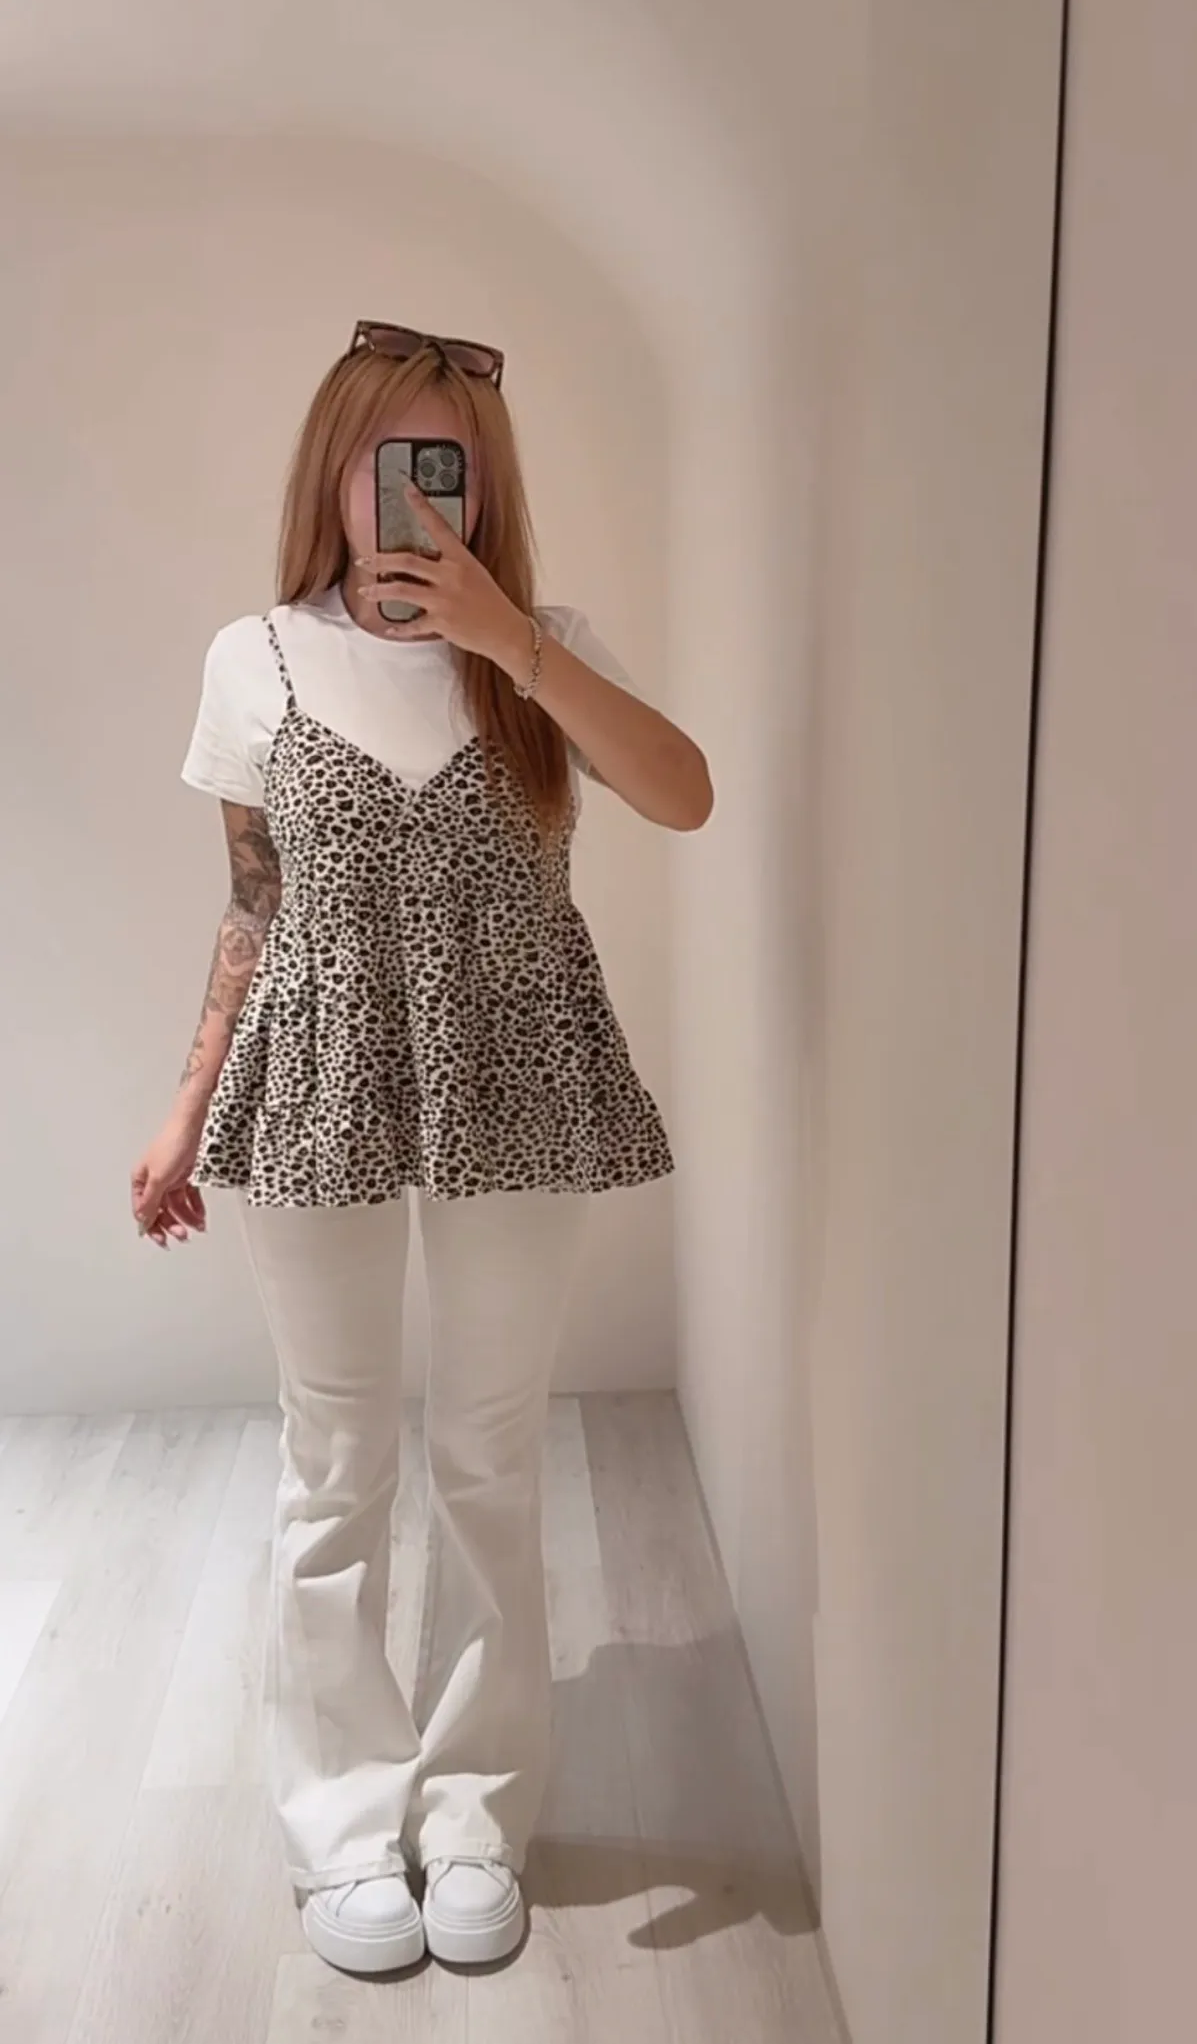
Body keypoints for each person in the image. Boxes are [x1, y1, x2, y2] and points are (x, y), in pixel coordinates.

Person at [130, 320, 712, 1978]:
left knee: (487, 1454)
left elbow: (683, 792)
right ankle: (340, 1821)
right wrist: (186, 1108)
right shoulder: (255, 656)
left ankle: (473, 1813)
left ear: (483, 483)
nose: (411, 492)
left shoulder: (544, 651)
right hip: (316, 1069)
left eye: (442, 463)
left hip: (515, 1070)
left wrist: (508, 640)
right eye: (385, 457)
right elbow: (255, 905)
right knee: (335, 1460)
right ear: (334, 470)